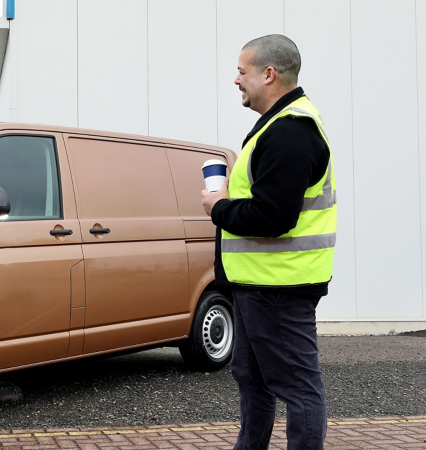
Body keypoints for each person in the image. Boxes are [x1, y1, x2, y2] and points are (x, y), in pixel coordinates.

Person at [201, 35, 336, 449]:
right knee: (253, 382)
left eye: (242, 71)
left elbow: (273, 218)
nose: (236, 80)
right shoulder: (277, 127)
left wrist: (217, 207)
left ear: (269, 74)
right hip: (260, 286)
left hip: (278, 287)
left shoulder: (290, 133)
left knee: (297, 389)